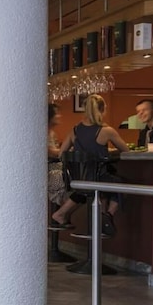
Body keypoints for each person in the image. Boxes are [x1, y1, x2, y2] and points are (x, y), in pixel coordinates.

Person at [51, 94, 130, 236]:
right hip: (98, 178)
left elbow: (62, 153)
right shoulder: (107, 131)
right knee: (121, 184)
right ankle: (108, 215)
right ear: (102, 109)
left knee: (88, 188)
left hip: (78, 179)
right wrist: (104, 151)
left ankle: (64, 213)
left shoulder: (75, 130)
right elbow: (126, 151)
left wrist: (80, 153)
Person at [47, 104, 74, 229]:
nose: (59, 116)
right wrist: (67, 150)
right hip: (49, 170)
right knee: (73, 183)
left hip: (56, 167)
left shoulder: (51, 133)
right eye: (56, 113)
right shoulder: (42, 132)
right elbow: (50, 152)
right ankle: (61, 213)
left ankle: (62, 212)